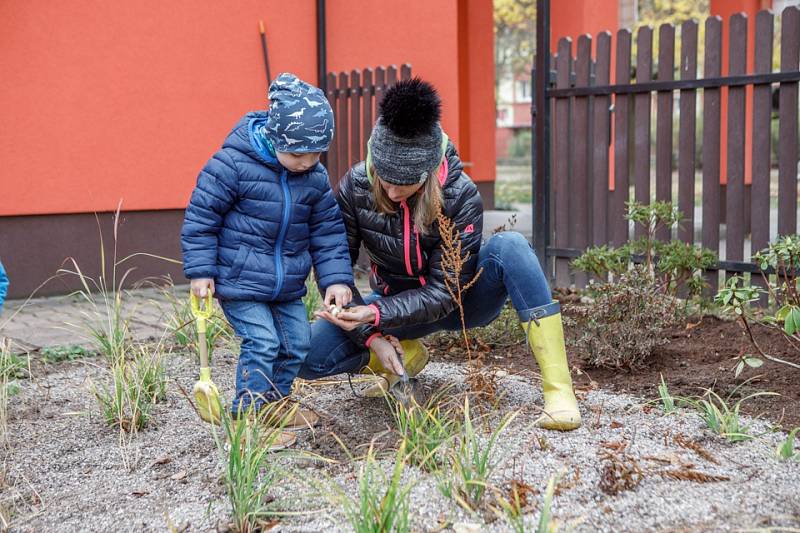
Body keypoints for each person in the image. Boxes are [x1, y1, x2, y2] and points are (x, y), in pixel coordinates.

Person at [299, 78, 581, 431]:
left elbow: (444, 291)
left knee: (510, 247)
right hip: (395, 307)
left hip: (463, 301)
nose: (391, 189)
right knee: (309, 357)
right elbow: (334, 257)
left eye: (404, 182)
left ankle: (559, 391)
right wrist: (368, 331)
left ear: (429, 172)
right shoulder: (356, 186)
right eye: (384, 178)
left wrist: (373, 312)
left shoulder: (460, 195)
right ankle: (406, 353)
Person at [181, 73, 354, 447]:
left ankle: (274, 404)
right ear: (275, 137)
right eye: (297, 154)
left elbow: (327, 231)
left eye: (315, 153)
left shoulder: (314, 177)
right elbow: (201, 217)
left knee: (296, 344)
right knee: (261, 342)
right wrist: (201, 271)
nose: (306, 162)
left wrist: (336, 279)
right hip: (239, 280)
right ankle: (247, 422)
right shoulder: (232, 165)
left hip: (287, 283)